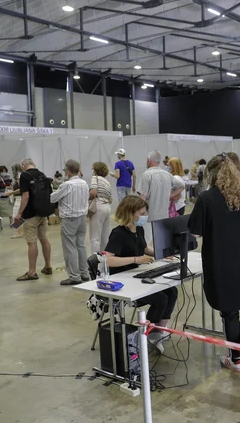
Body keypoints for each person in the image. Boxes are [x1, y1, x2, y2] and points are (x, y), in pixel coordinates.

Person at [188, 154, 240, 382]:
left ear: (212, 174)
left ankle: (235, 360)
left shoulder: (206, 199)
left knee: (230, 313)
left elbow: (195, 231)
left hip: (221, 266)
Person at [104, 196, 177, 354]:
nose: (144, 217)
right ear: (130, 213)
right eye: (142, 213)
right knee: (160, 299)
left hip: (136, 276)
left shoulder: (139, 229)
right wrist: (137, 259)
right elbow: (108, 260)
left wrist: (161, 254)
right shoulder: (118, 234)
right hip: (123, 282)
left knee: (172, 291)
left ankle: (159, 331)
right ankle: (147, 335)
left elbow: (144, 248)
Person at [50, 159, 90, 285]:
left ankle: (74, 276)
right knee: (81, 245)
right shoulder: (84, 183)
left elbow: (52, 198)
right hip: (82, 218)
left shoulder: (66, 185)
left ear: (67, 171)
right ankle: (84, 273)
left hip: (70, 218)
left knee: (70, 247)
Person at [14, 158, 53, 281]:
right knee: (44, 238)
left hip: (30, 214)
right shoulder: (42, 174)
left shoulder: (25, 176)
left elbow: (25, 196)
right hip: (43, 212)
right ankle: (48, 266)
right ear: (34, 164)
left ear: (23, 165)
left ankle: (31, 272)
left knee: (32, 242)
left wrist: (19, 213)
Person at [136, 151, 175, 244]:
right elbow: (181, 185)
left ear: (149, 160)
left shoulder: (146, 175)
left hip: (149, 216)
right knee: (160, 243)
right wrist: (171, 195)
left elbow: (142, 198)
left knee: (145, 242)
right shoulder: (168, 175)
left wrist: (137, 215)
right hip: (164, 215)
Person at [89, 162, 113, 254]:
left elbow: (93, 193)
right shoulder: (107, 182)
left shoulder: (95, 178)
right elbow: (110, 200)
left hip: (98, 207)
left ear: (95, 170)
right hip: (107, 208)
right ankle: (104, 261)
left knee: (95, 238)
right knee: (105, 238)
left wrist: (86, 198)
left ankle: (95, 261)